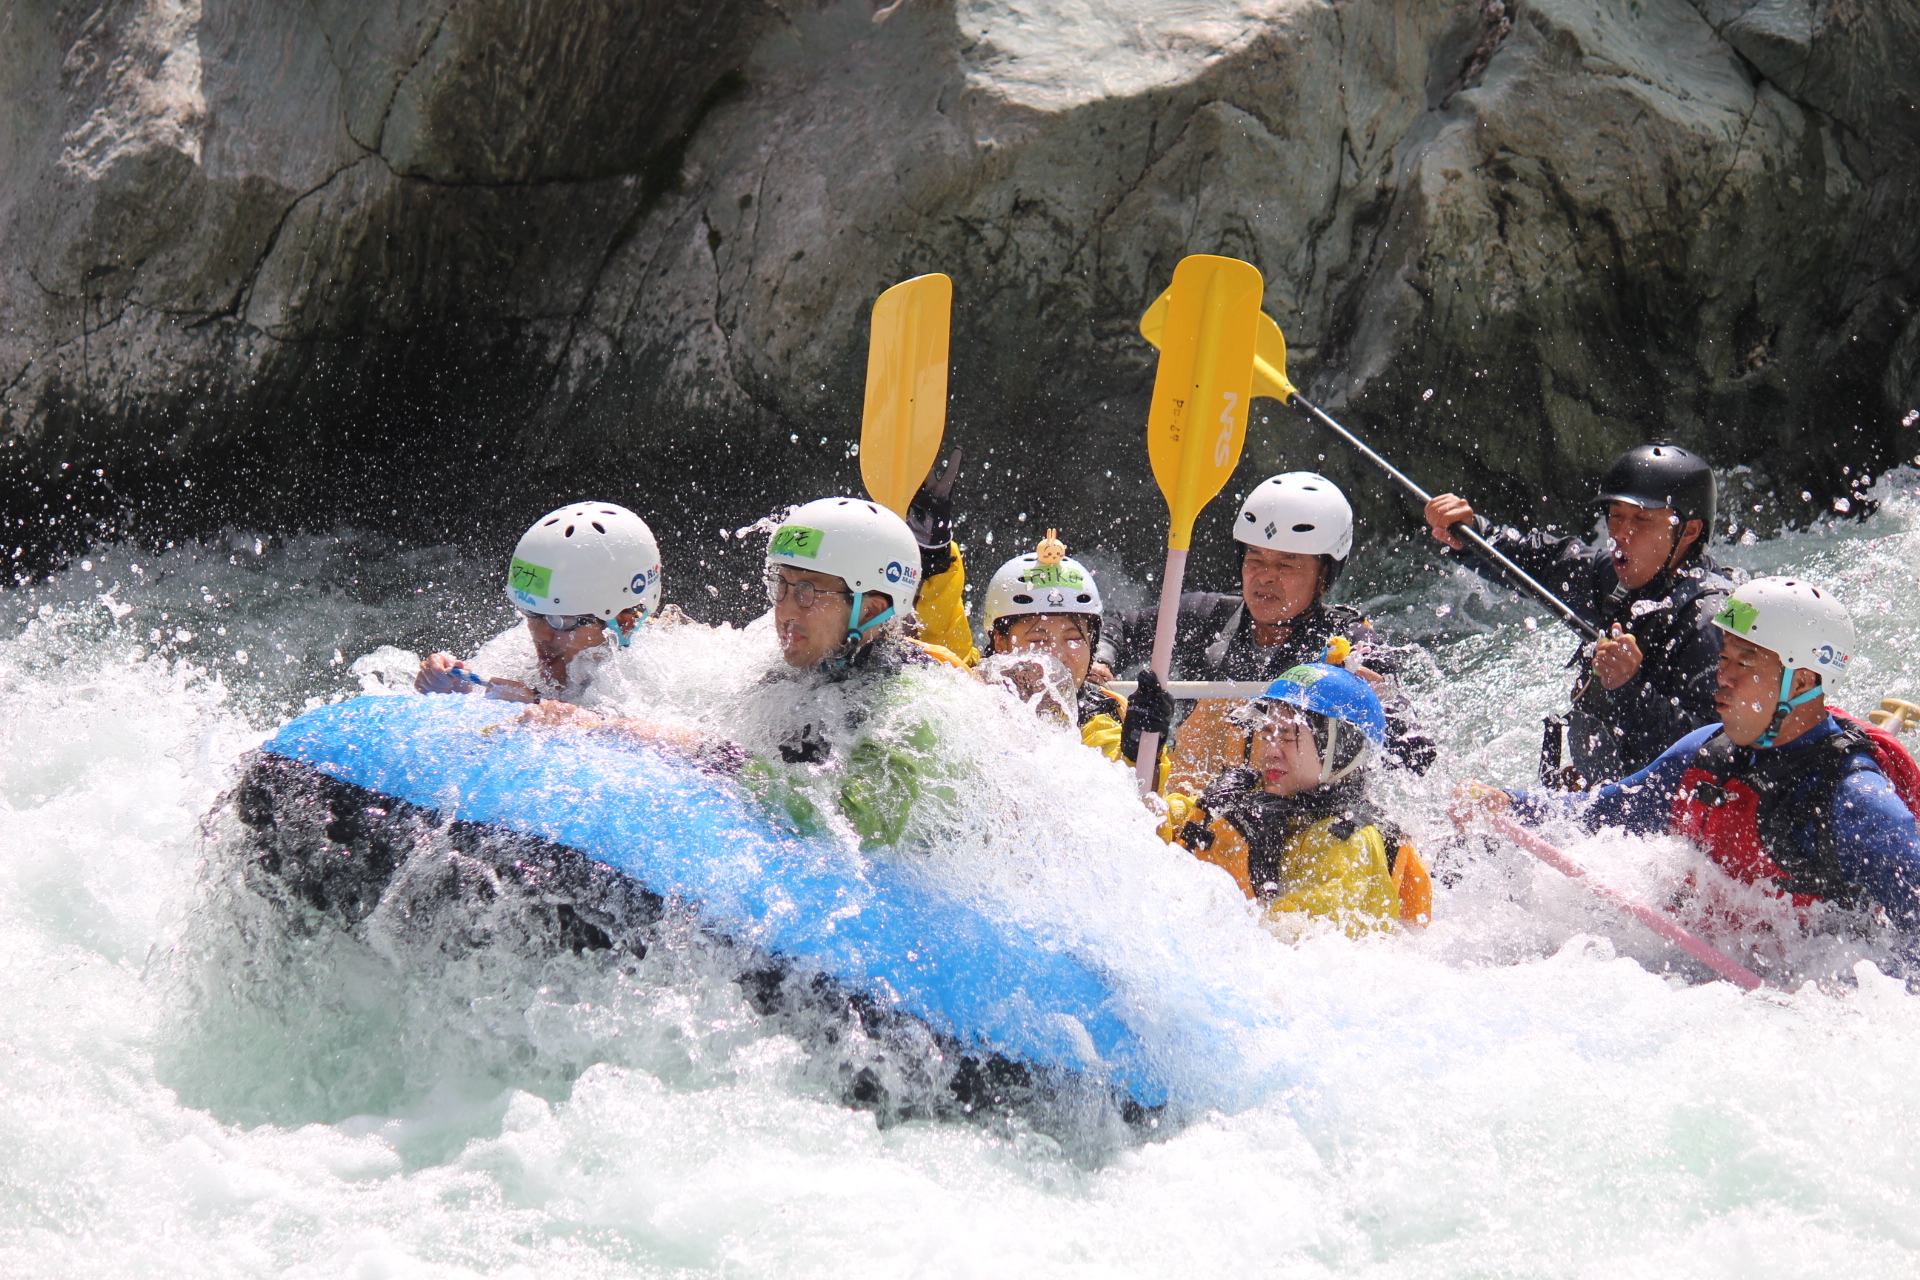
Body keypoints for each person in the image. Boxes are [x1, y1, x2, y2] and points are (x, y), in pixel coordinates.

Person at [1462, 578, 1920, 932]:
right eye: (1724, 658)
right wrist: (1509, 803)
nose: (1724, 677)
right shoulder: (1704, 753)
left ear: (1801, 682)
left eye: (1745, 662)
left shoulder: (1858, 804)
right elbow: (1601, 814)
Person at [525, 497, 962, 849]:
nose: (784, 611)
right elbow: (682, 710)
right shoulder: (796, 671)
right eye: (780, 586)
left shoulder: (913, 707)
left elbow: (854, 829)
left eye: (806, 591)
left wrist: (706, 753)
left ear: (870, 609)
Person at [1098, 471, 1433, 790]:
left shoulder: (1353, 646)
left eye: (1286, 564)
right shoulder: (1204, 616)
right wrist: (1101, 659)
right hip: (1194, 809)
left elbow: (1417, 760)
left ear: (1324, 575)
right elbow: (1116, 627)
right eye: (1254, 559)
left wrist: (1379, 709)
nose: (1265, 576)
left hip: (1297, 818)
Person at [1424, 443, 1734, 787]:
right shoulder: (1614, 579)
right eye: (1615, 515)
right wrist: (1471, 532)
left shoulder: (1711, 623)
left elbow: (1717, 754)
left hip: (1657, 806)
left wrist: (1630, 689)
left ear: (1689, 531)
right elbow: (1537, 560)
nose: (1620, 534)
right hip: (1599, 791)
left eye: (1641, 519)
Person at [1168, 663, 1431, 931]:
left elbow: (1298, 941)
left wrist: (1234, 866)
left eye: (1287, 738)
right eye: (1267, 735)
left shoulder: (1350, 843)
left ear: (1341, 750)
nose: (1270, 751)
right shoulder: (1248, 794)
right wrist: (1146, 740)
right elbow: (1159, 822)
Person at [416, 501, 666, 702]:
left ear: (624, 624)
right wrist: (454, 687)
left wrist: (545, 710)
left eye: (561, 620)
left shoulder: (666, 676)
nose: (538, 634)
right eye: (531, 613)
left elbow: (685, 745)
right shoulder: (516, 651)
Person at [975, 531, 1167, 769]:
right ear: (999, 642)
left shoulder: (1105, 714)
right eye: (1038, 639)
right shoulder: (967, 696)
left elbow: (1137, 791)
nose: (1058, 655)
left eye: (1074, 638)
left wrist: (1140, 756)